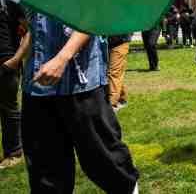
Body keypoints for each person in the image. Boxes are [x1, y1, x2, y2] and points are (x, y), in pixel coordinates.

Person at [21, 10, 139, 193]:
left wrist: (62, 58)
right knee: (45, 172)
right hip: (37, 85)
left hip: (81, 82)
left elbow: (94, 14)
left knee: (103, 158)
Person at [0, 0, 28, 169]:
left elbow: (29, 30)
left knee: (8, 109)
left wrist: (15, 59)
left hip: (5, 62)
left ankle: (14, 152)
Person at [107, 34, 131, 112]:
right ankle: (122, 98)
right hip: (110, 42)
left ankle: (112, 103)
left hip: (120, 42)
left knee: (114, 72)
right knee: (116, 72)